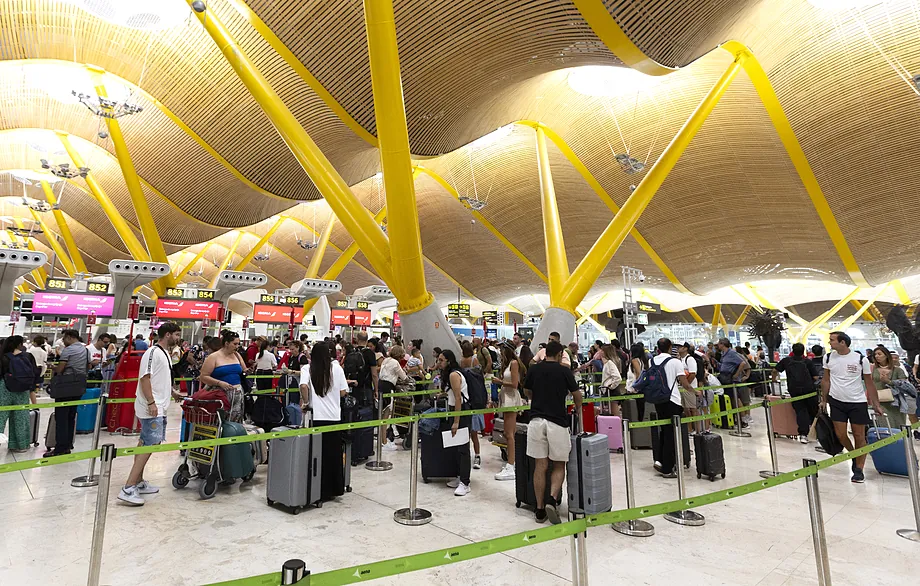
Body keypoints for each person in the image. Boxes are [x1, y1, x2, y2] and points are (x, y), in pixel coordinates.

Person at [117, 323, 182, 505]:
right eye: (176, 334)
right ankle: (128, 488)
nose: (178, 338)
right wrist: (152, 402)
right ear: (167, 334)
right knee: (149, 444)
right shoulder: (153, 352)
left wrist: (172, 392)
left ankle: (138, 481)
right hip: (151, 406)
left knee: (145, 442)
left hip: (159, 405)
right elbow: (145, 378)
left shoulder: (165, 354)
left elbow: (159, 379)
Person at [523, 340, 581, 524]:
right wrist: (578, 409)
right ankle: (552, 498)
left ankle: (540, 510)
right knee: (558, 464)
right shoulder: (564, 371)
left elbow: (526, 391)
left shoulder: (534, 369)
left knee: (540, 466)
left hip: (536, 421)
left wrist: (537, 397)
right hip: (557, 422)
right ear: (559, 355)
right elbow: (577, 394)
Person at [821, 331, 883, 483]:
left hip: (857, 402)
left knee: (859, 435)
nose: (830, 342)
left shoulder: (860, 359)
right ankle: (855, 455)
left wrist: (876, 404)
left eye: (832, 340)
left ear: (843, 342)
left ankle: (859, 469)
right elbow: (826, 380)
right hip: (836, 401)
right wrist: (824, 399)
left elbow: (869, 382)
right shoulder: (828, 357)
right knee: (841, 435)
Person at [301, 341, 347, 501]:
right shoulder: (337, 368)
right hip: (334, 416)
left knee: (316, 455)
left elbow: (303, 386)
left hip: (317, 418)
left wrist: (306, 402)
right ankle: (335, 488)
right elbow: (343, 392)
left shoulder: (308, 368)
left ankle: (317, 489)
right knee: (333, 454)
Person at [649, 338, 696, 478]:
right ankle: (668, 468)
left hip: (659, 400)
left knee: (663, 431)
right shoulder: (675, 362)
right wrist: (696, 392)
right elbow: (685, 383)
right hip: (672, 400)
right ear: (670, 348)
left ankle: (660, 460)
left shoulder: (652, 361)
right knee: (671, 435)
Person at [437, 349, 473, 496]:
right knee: (457, 447)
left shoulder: (453, 375)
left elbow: (458, 398)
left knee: (463, 448)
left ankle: (465, 482)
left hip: (461, 412)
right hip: (455, 410)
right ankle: (460, 477)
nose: (438, 363)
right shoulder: (450, 375)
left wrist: (456, 422)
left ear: (449, 361)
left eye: (441, 360)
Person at [773, 343, 820, 443]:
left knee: (800, 411)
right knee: (813, 410)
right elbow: (815, 377)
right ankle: (817, 433)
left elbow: (775, 370)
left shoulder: (786, 361)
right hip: (809, 390)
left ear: (792, 351)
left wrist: (773, 380)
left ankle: (803, 434)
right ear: (803, 351)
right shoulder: (807, 362)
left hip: (794, 390)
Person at [0, 336, 40, 453]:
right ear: (19, 344)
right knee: (20, 417)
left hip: (5, 388)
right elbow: (34, 373)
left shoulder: (3, 356)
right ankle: (20, 445)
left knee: (1, 416)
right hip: (23, 390)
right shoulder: (27, 356)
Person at [199, 330, 247, 422]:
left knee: (235, 421)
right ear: (226, 343)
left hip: (236, 394)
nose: (237, 347)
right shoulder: (213, 357)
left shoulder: (236, 355)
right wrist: (219, 383)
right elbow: (203, 376)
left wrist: (248, 371)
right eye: (235, 344)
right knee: (218, 420)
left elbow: (244, 370)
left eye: (238, 344)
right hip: (219, 395)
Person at [493, 341, 522, 481]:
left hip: (511, 399)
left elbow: (515, 384)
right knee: (508, 433)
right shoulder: (508, 364)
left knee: (509, 434)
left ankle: (512, 465)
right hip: (506, 398)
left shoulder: (514, 364)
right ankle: (511, 462)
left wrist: (499, 382)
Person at [378, 345, 411, 451]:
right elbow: (404, 378)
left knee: (381, 415)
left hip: (380, 386)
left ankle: (383, 440)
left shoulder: (386, 360)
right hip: (388, 388)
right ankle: (384, 442)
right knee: (385, 416)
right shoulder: (395, 363)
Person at [716, 338, 751, 427]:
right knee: (731, 399)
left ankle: (743, 420)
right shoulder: (724, 354)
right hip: (724, 378)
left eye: (719, 344)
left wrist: (736, 374)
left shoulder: (732, 353)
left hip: (731, 379)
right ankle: (737, 419)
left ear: (723, 344)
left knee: (736, 399)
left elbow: (742, 363)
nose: (718, 345)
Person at [871, 345, 908, 426]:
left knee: (898, 425)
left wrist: (889, 381)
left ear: (886, 355)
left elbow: (904, 385)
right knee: (885, 425)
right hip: (880, 402)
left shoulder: (897, 370)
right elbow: (870, 385)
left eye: (879, 354)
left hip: (896, 401)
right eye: (875, 354)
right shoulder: (872, 369)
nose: (877, 356)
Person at [677, 342, 701, 433]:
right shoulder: (680, 360)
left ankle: (697, 429)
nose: (678, 348)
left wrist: (686, 385)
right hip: (683, 388)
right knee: (686, 410)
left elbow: (692, 374)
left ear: (685, 348)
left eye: (680, 346)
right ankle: (690, 429)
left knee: (693, 409)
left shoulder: (690, 359)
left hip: (690, 388)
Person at [600, 344, 622, 417]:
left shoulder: (610, 363)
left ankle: (617, 427)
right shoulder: (609, 362)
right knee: (612, 412)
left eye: (602, 351)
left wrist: (611, 386)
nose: (601, 352)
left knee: (614, 413)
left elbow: (618, 378)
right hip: (609, 391)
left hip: (612, 391)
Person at [627, 342, 648, 421]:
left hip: (635, 389)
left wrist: (637, 386)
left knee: (637, 410)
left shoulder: (635, 361)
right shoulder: (642, 361)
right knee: (640, 409)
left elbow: (639, 374)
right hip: (638, 389)